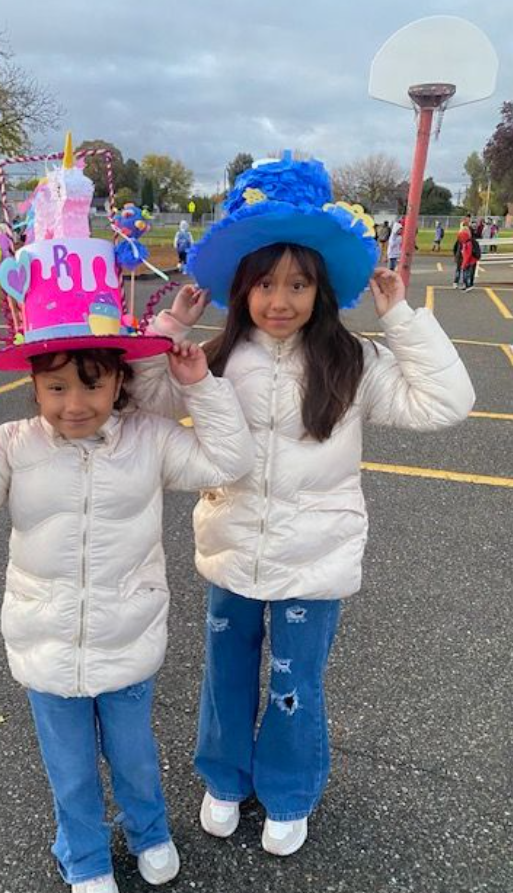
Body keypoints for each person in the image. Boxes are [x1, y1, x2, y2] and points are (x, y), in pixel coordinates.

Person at [0, 144, 254, 893]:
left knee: (133, 755)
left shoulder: (149, 440)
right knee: (69, 769)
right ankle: (87, 855)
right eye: (57, 385)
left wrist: (200, 387)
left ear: (120, 378)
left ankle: (151, 830)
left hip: (128, 642)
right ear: (34, 383)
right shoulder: (14, 447)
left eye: (92, 384)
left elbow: (225, 462)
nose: (74, 402)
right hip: (46, 648)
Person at [131, 153, 475, 858]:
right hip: (232, 549)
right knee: (226, 675)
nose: (280, 299)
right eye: (265, 282)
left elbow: (448, 401)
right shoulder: (218, 358)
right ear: (242, 286)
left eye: (298, 282)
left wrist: (399, 315)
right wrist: (168, 328)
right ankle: (224, 776)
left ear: (322, 289)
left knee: (294, 684)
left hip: (314, 562)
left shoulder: (353, 362)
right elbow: (143, 400)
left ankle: (289, 790)